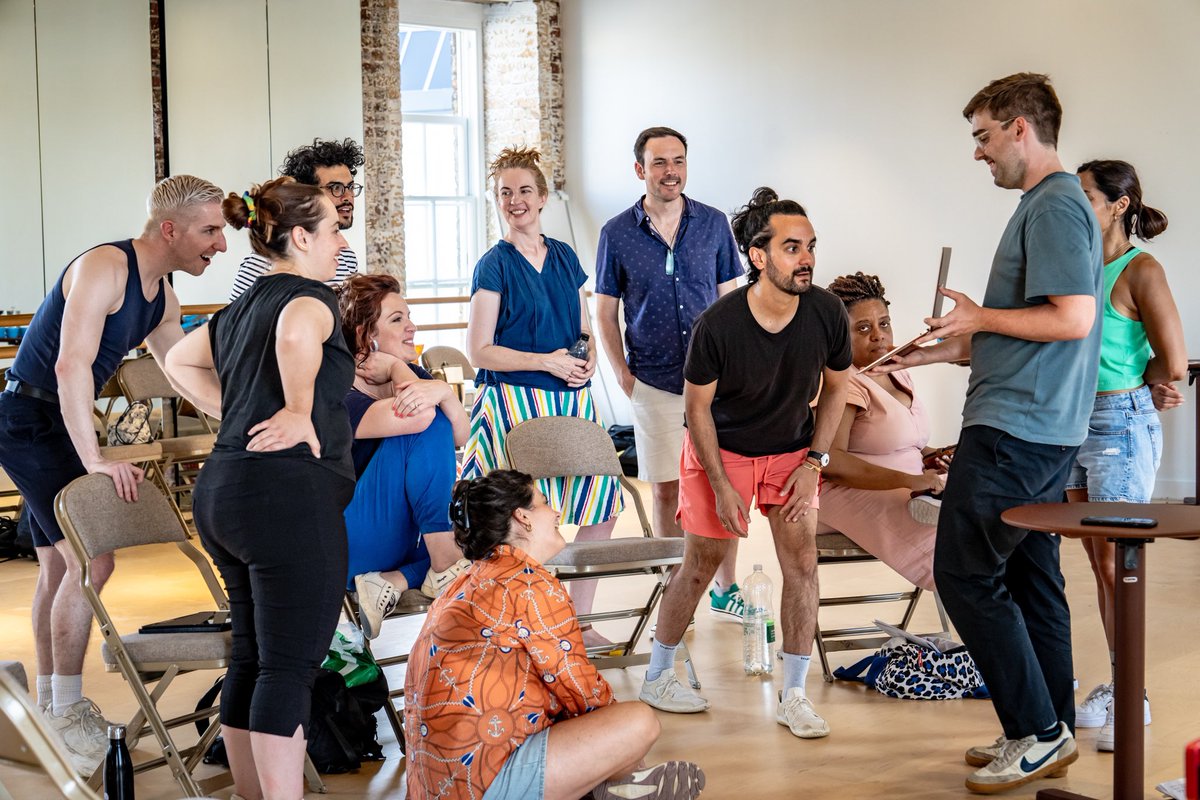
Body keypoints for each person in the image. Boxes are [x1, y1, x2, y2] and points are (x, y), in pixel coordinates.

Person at [876, 73, 1102, 793]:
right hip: (1036, 425)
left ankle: (1036, 730)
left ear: (1019, 128)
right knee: (1032, 575)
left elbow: (1073, 319)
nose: (978, 153)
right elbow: (1034, 330)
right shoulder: (1049, 205)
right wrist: (947, 344)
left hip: (1016, 429)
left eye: (982, 136)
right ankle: (1049, 726)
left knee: (966, 574)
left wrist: (978, 319)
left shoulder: (1056, 206)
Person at [0, 174, 226, 773]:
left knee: (58, 564)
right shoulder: (106, 266)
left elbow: (182, 373)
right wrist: (97, 458)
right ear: (170, 228)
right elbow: (72, 365)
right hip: (30, 416)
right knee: (89, 559)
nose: (221, 243)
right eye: (210, 230)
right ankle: (65, 709)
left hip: (51, 421)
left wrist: (239, 423)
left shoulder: (161, 297)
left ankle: (51, 706)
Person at [637, 187, 851, 740]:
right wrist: (719, 483)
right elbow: (696, 412)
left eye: (810, 246)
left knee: (801, 563)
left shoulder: (827, 312)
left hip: (790, 453)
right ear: (758, 256)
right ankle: (658, 675)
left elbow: (836, 388)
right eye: (791, 247)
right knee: (702, 563)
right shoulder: (719, 324)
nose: (805, 258)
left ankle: (795, 694)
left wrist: (815, 463)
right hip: (722, 450)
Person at [165, 176, 354, 800]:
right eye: (331, 228)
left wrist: (238, 416)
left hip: (224, 491)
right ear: (299, 237)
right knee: (289, 666)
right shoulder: (308, 297)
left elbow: (178, 361)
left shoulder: (240, 308)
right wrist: (297, 411)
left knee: (252, 657)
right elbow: (300, 331)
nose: (339, 239)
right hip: (286, 500)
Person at [403, 469, 706, 800]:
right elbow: (583, 691)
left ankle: (615, 788)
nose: (556, 512)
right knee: (637, 722)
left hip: (435, 784)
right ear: (523, 518)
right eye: (544, 503)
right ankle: (619, 787)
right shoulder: (529, 584)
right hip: (483, 783)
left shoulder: (462, 584)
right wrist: (623, 755)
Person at [463, 146, 622, 648]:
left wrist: (589, 355)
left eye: (524, 191)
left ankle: (579, 620)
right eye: (504, 193)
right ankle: (516, 621)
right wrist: (545, 361)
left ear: (543, 197)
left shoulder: (567, 258)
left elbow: (581, 328)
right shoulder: (494, 265)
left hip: (569, 401)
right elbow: (479, 351)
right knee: (516, 520)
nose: (515, 201)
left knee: (603, 503)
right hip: (511, 403)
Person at [595, 126, 746, 622]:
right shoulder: (616, 233)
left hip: (716, 382)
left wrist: (740, 369)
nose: (671, 171)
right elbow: (604, 311)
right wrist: (622, 374)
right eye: (660, 162)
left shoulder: (714, 224)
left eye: (678, 160)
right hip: (654, 380)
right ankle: (672, 585)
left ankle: (727, 588)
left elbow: (734, 302)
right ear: (640, 169)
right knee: (663, 486)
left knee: (722, 481)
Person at [1067, 159, 1186, 752]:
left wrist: (1160, 382)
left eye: (1085, 194)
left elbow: (1174, 355)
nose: (1076, 202)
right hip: (1071, 423)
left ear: (1119, 205)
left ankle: (1132, 695)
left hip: (1119, 422)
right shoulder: (1078, 264)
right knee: (1097, 564)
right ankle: (1120, 684)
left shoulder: (1142, 269)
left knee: (1120, 566)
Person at [336, 273, 472, 636]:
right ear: (366, 335)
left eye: (409, 316)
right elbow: (427, 419)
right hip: (349, 542)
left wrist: (440, 389)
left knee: (484, 536)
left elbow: (462, 434)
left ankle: (392, 581)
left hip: (400, 542)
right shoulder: (339, 391)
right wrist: (406, 373)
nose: (412, 327)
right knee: (427, 421)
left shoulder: (415, 377)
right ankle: (443, 561)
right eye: (398, 319)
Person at [820, 272, 956, 592]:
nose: (878, 336)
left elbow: (903, 444)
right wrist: (909, 480)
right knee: (954, 546)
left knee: (982, 506)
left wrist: (935, 455)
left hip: (907, 488)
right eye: (863, 328)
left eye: (884, 323)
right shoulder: (846, 382)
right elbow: (833, 462)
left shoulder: (897, 371)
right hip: (847, 493)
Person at [228, 138, 364, 300]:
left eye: (350, 187)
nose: (347, 196)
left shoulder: (346, 256)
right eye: (336, 188)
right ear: (306, 195)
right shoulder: (263, 263)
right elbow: (236, 323)